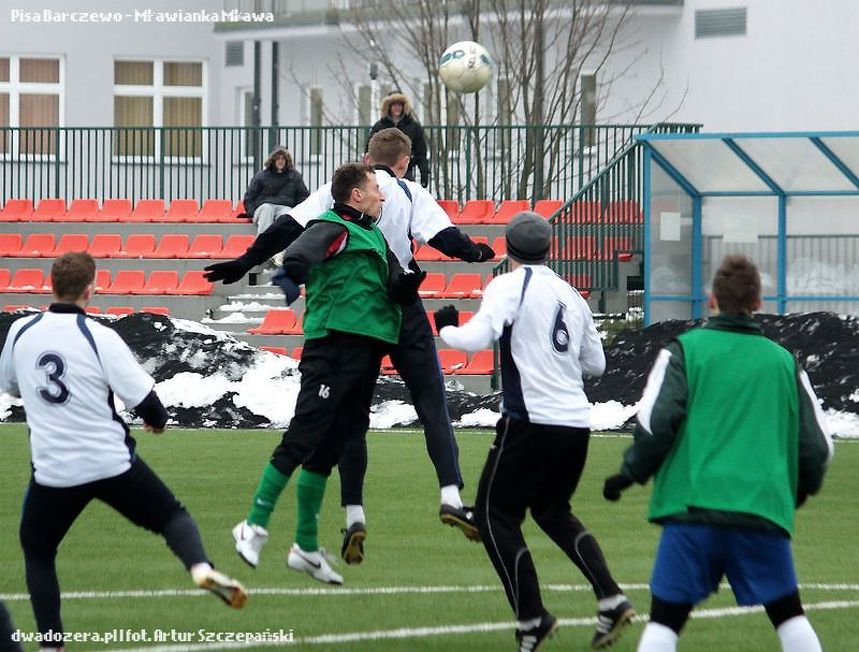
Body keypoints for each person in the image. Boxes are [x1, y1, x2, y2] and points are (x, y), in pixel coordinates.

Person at [204, 128, 494, 568]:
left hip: (357, 318)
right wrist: (474, 253)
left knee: (351, 419)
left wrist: (247, 261)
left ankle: (352, 514)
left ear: (366, 157)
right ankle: (451, 495)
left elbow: (286, 229)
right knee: (430, 400)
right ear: (404, 162)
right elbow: (445, 238)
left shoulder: (338, 198)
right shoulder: (407, 193)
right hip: (394, 309)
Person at [0, 252, 247, 648]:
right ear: (90, 288)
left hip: (54, 467)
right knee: (170, 517)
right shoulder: (99, 336)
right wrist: (157, 420)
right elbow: (145, 400)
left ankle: (51, 642)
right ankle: (200, 568)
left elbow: (11, 385)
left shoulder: (22, 332)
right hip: (109, 461)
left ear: (51, 284)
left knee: (38, 550)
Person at [602, 254, 833, 652]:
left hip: (694, 507)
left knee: (665, 620)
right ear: (758, 303)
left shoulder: (684, 351)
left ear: (711, 300)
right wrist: (797, 492)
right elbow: (817, 447)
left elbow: (657, 425)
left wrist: (629, 473)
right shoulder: (783, 363)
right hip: (760, 508)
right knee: (789, 615)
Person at [436, 211, 634, 652]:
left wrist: (446, 326)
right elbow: (595, 365)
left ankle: (532, 618)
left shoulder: (508, 284)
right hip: (575, 423)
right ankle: (610, 596)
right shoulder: (570, 294)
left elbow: (478, 338)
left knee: (493, 516)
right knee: (551, 511)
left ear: (507, 247)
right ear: (550, 247)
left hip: (531, 420)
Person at [233, 162, 422, 585]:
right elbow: (300, 253)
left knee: (330, 448)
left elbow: (396, 284)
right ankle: (253, 524)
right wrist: (291, 274)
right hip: (333, 347)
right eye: (376, 188)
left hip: (365, 352)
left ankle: (304, 546)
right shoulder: (332, 225)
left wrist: (408, 286)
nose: (382, 195)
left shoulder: (375, 237)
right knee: (304, 435)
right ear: (356, 194)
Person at [243, 146, 309, 235]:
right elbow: (249, 197)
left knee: (286, 213)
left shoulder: (295, 177)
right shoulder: (261, 176)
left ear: (287, 161)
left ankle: (280, 245)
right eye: (277, 158)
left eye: (283, 158)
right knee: (267, 209)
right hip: (264, 208)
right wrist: (252, 213)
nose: (280, 161)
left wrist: (297, 211)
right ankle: (263, 243)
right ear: (273, 160)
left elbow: (303, 196)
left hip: (286, 206)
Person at [368, 91, 429, 187]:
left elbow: (421, 153)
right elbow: (371, 149)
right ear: (389, 107)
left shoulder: (413, 127)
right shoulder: (380, 126)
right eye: (394, 105)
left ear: (404, 106)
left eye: (399, 105)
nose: (397, 108)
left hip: (405, 170)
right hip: (383, 170)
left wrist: (424, 173)